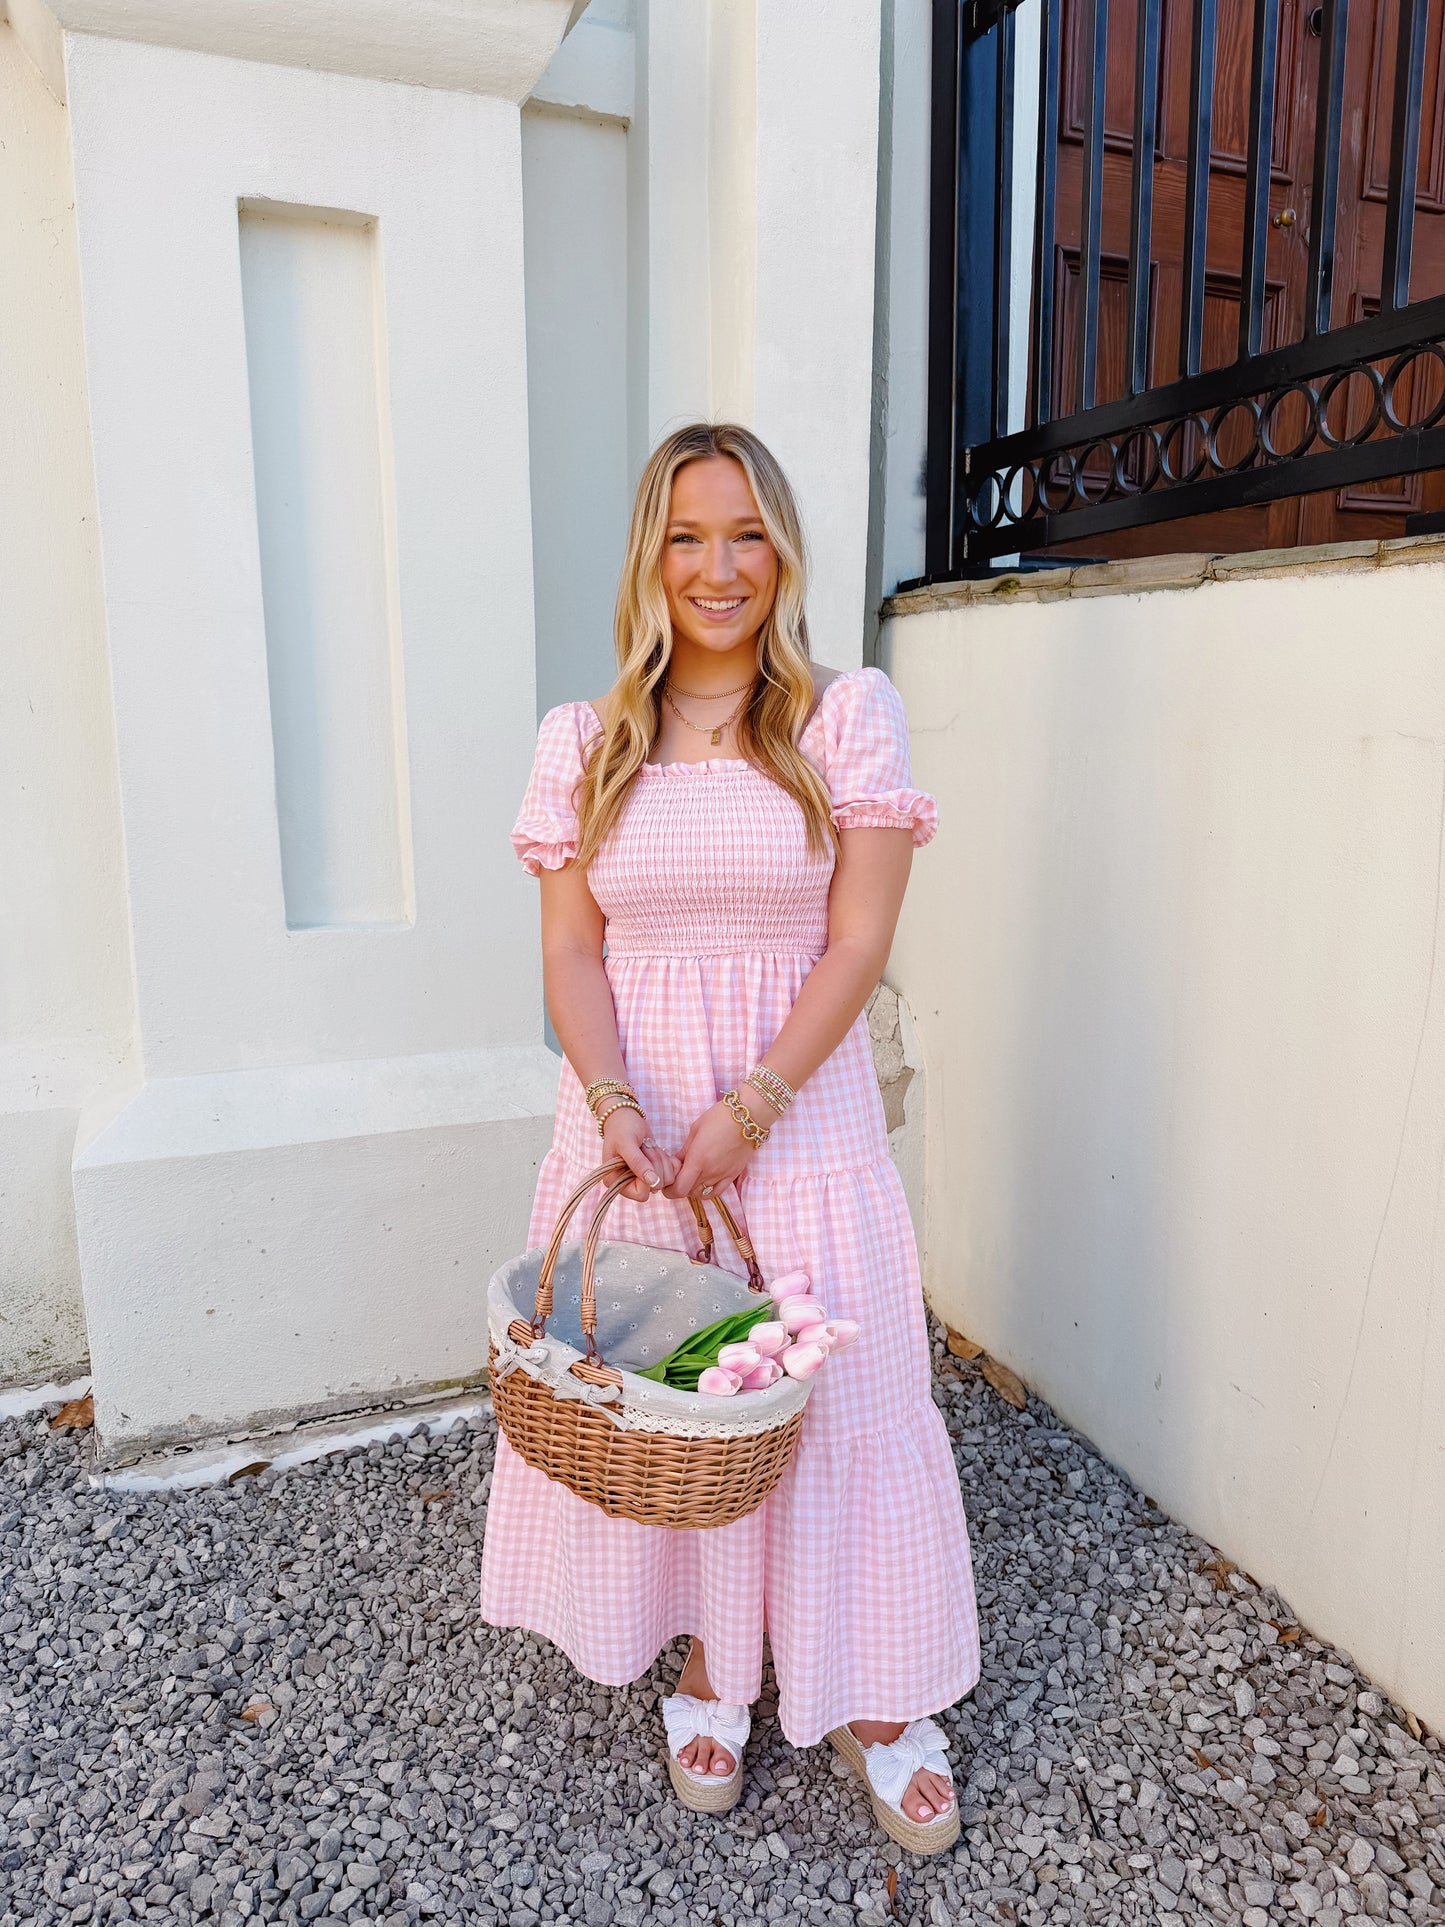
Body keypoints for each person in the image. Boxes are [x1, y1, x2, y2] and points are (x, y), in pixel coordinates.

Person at [479, 422, 979, 1852]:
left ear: (782, 552)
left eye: (745, 534)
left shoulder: (843, 717)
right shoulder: (581, 741)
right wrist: (624, 1107)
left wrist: (749, 1103)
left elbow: (858, 939)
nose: (718, 569)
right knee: (682, 1408)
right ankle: (713, 1653)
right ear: (650, 555)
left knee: (834, 1391)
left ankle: (879, 1691)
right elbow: (573, 952)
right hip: (629, 1127)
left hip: (795, 1116)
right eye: (688, 537)